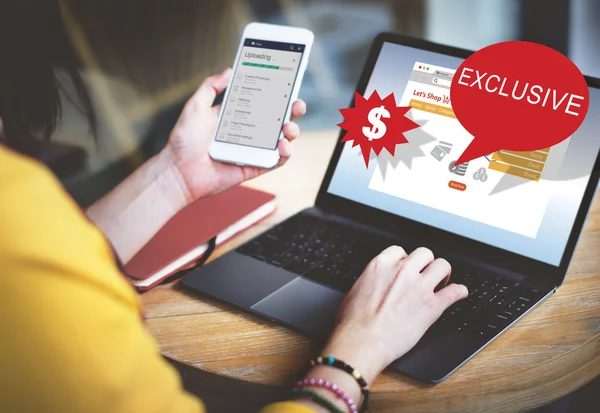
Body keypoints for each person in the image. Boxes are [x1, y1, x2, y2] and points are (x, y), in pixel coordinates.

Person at [0, 2, 468, 412]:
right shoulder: (17, 219)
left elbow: (53, 253)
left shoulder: (21, 207)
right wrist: (361, 345)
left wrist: (175, 177)